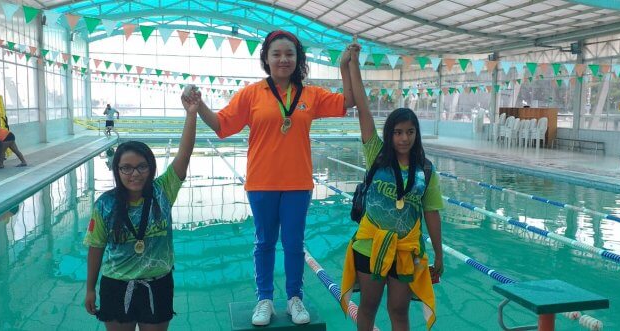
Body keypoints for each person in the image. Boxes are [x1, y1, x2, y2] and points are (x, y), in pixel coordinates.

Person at [181, 30, 356, 326]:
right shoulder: (251, 94)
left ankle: (294, 298)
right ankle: (264, 299)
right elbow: (222, 125)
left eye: (289, 54)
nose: (283, 59)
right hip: (261, 183)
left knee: (293, 243)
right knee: (263, 243)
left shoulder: (310, 94)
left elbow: (348, 101)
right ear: (266, 58)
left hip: (298, 184)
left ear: (297, 58)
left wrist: (344, 66)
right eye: (276, 54)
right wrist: (199, 108)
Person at [339, 44, 444, 330]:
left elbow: (432, 213)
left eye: (410, 132)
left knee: (399, 310)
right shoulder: (376, 154)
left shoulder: (426, 170)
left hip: (406, 250)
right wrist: (353, 65)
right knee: (368, 308)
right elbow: (362, 107)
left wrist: (438, 253)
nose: (404, 138)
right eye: (398, 132)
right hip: (369, 244)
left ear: (416, 134)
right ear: (389, 134)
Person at [83, 103, 197, 330]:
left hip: (158, 285)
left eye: (141, 167)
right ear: (117, 170)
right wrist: (89, 289)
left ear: (151, 168)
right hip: (116, 285)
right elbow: (96, 247)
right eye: (126, 168)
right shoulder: (105, 204)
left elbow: (185, 153)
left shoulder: (162, 191)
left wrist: (191, 114)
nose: (134, 174)